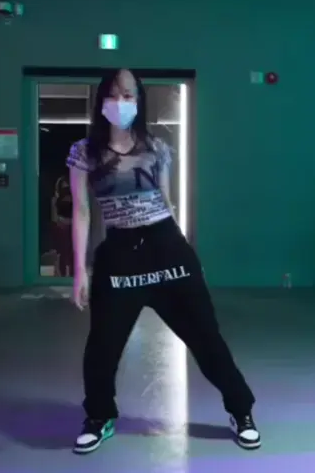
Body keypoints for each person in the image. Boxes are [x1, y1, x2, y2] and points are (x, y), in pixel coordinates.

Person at [67, 68, 260, 454]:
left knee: (206, 338)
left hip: (166, 248)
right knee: (102, 346)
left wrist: (187, 256)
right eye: (114, 95)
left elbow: (167, 203)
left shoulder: (157, 147)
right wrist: (80, 272)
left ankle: (241, 410)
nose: (121, 102)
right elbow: (81, 211)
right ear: (101, 100)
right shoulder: (84, 152)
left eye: (129, 95)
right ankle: (99, 416)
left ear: (139, 101)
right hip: (119, 256)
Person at [51, 175, 73, 276]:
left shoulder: (76, 199)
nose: (67, 192)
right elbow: (54, 217)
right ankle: (63, 275)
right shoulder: (55, 200)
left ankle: (73, 275)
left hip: (74, 226)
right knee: (63, 254)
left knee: (73, 253)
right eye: (64, 189)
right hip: (61, 226)